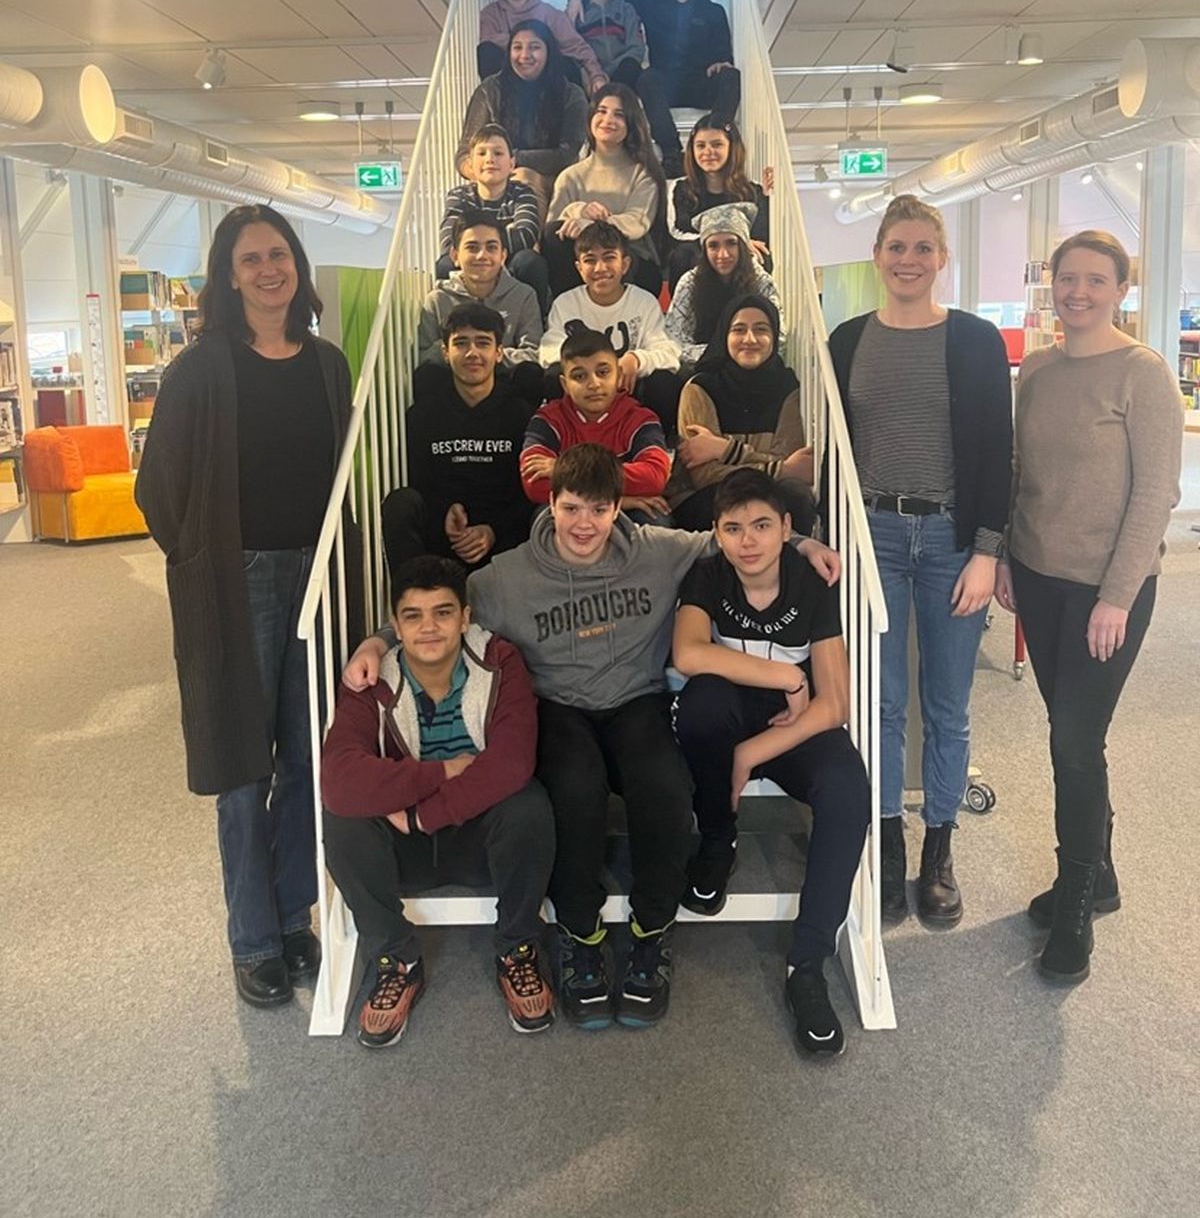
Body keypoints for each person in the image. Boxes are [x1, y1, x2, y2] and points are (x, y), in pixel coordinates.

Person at [342, 444, 841, 1032]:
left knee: (665, 786)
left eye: (599, 510)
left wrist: (802, 543)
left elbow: (731, 539)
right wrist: (377, 641)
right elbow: (438, 609)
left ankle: (652, 933)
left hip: (637, 700)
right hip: (559, 707)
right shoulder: (508, 576)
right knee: (574, 790)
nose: (585, 523)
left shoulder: (657, 551)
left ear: (617, 509)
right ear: (551, 504)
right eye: (572, 508)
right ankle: (581, 937)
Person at [135, 204, 358, 1008]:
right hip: (237, 581)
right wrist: (202, 561)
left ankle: (293, 917)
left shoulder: (328, 364)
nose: (269, 270)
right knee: (240, 764)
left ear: (297, 265)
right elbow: (158, 489)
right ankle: (253, 937)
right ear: (228, 278)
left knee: (307, 756)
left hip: (317, 579)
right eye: (251, 259)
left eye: (279, 255)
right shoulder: (200, 370)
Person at [994, 230, 1182, 984]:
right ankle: (1096, 872)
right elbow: (1019, 471)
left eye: (1095, 281)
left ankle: (1075, 900)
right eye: (1067, 279)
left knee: (1075, 742)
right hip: (1038, 577)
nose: (1078, 292)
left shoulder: (1144, 373)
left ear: (1120, 290)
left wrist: (1117, 597)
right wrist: (1007, 556)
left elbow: (1157, 493)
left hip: (1109, 591)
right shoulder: (1038, 369)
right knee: (1068, 732)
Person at [828, 194, 1011, 931]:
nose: (909, 261)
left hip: (950, 542)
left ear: (943, 259)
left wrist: (987, 553)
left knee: (947, 704)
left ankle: (939, 848)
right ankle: (888, 840)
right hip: (871, 534)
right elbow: (834, 449)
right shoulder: (847, 340)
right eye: (897, 247)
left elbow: (997, 452)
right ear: (877, 256)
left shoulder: (975, 340)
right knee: (881, 703)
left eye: (923, 248)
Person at [673, 469, 869, 1058]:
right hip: (731, 716)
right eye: (733, 528)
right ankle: (718, 839)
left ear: (787, 528)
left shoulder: (811, 583)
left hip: (792, 727)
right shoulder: (707, 575)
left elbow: (835, 703)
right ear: (717, 533)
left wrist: (752, 753)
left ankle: (807, 965)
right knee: (701, 706)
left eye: (761, 525)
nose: (748, 541)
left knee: (848, 790)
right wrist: (786, 674)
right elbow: (688, 654)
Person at [322, 556, 556, 1046]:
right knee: (343, 819)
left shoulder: (499, 661)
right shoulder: (372, 679)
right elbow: (339, 779)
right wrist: (444, 770)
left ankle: (517, 947)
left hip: (476, 839)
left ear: (465, 617)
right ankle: (395, 958)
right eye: (413, 616)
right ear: (396, 624)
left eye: (443, 613)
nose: (428, 627)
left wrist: (422, 813)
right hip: (403, 849)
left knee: (528, 804)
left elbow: (512, 761)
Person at [382, 305, 532, 575]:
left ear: (499, 353)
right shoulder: (422, 415)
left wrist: (492, 530)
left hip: (504, 538)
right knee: (400, 502)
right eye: (461, 343)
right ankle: (411, 594)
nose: (472, 353)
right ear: (445, 352)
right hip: (443, 535)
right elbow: (420, 483)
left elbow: (526, 494)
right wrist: (445, 513)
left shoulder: (521, 414)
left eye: (482, 343)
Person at [668, 294, 813, 532]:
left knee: (796, 495)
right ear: (724, 336)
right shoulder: (699, 388)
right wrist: (779, 468)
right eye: (739, 330)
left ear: (774, 338)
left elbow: (793, 466)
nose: (750, 339)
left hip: (766, 495)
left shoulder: (788, 389)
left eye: (761, 329)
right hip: (705, 498)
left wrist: (724, 450)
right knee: (728, 500)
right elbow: (705, 476)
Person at [538, 220, 681, 437]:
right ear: (579, 268)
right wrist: (596, 369)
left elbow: (668, 352)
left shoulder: (643, 302)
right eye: (590, 260)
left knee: (663, 381)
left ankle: (652, 439)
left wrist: (637, 359)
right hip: (585, 388)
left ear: (625, 264)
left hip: (628, 389)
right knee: (554, 375)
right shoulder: (566, 303)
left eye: (609, 258)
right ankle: (569, 437)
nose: (600, 268)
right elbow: (548, 351)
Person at [520, 329, 670, 522]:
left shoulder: (641, 419)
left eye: (603, 372)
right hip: (589, 506)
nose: (594, 384)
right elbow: (535, 485)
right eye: (579, 376)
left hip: (619, 511)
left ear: (618, 375)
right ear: (565, 385)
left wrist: (566, 470)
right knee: (546, 516)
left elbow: (654, 478)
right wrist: (619, 501)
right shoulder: (547, 420)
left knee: (654, 515)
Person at [541, 83, 665, 299]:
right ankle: (569, 309)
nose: (608, 120)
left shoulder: (643, 174)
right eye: (602, 111)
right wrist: (579, 210)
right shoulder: (570, 176)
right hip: (582, 264)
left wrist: (592, 226)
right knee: (554, 235)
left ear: (631, 123)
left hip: (631, 262)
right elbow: (554, 229)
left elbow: (637, 223)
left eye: (619, 115)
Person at [628, 0, 741, 177]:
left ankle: (715, 139)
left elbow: (723, 49)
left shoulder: (713, 10)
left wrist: (722, 61)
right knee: (646, 78)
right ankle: (671, 152)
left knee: (732, 76)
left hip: (701, 83)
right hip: (666, 86)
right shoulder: (651, 4)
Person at [459, 20, 590, 195]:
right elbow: (464, 153)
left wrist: (511, 159)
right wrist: (481, 170)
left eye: (534, 47)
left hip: (553, 183)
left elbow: (567, 154)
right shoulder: (489, 90)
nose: (524, 55)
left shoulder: (571, 94)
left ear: (549, 52)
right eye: (517, 47)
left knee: (522, 179)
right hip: (494, 182)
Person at [437, 123, 549, 313]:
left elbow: (527, 235)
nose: (490, 159)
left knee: (529, 261)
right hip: (474, 262)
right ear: (470, 165)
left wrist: (478, 245)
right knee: (445, 263)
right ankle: (454, 324)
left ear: (511, 164)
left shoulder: (522, 193)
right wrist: (497, 241)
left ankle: (535, 320)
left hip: (509, 262)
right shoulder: (459, 196)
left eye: (498, 153)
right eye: (482, 153)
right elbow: (449, 243)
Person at [417, 212, 542, 377]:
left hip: (506, 381)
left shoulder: (523, 295)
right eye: (472, 248)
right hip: (454, 382)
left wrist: (486, 355)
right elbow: (424, 356)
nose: (482, 255)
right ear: (455, 256)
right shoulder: (438, 299)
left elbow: (533, 353)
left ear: (503, 256)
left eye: (491, 247)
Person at [665, 203, 782, 371]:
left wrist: (740, 353)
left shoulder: (762, 281)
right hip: (703, 368)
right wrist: (722, 353)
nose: (723, 254)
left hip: (751, 366)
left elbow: (779, 336)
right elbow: (674, 340)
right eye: (713, 245)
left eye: (731, 243)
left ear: (743, 246)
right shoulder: (689, 283)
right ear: (704, 249)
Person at [666, 116, 772, 289]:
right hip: (697, 260)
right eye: (700, 145)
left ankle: (750, 305)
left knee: (761, 256)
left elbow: (761, 237)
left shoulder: (752, 191)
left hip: (739, 262)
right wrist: (727, 240)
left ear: (732, 148)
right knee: (682, 255)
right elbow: (677, 232)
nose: (708, 151)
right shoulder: (680, 188)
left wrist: (768, 196)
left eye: (717, 144)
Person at [477, 0, 604, 93]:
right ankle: (495, 104)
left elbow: (576, 46)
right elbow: (489, 41)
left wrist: (596, 75)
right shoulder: (490, 14)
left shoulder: (550, 14)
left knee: (568, 64)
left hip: (546, 82)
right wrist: (535, 43)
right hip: (508, 83)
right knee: (486, 51)